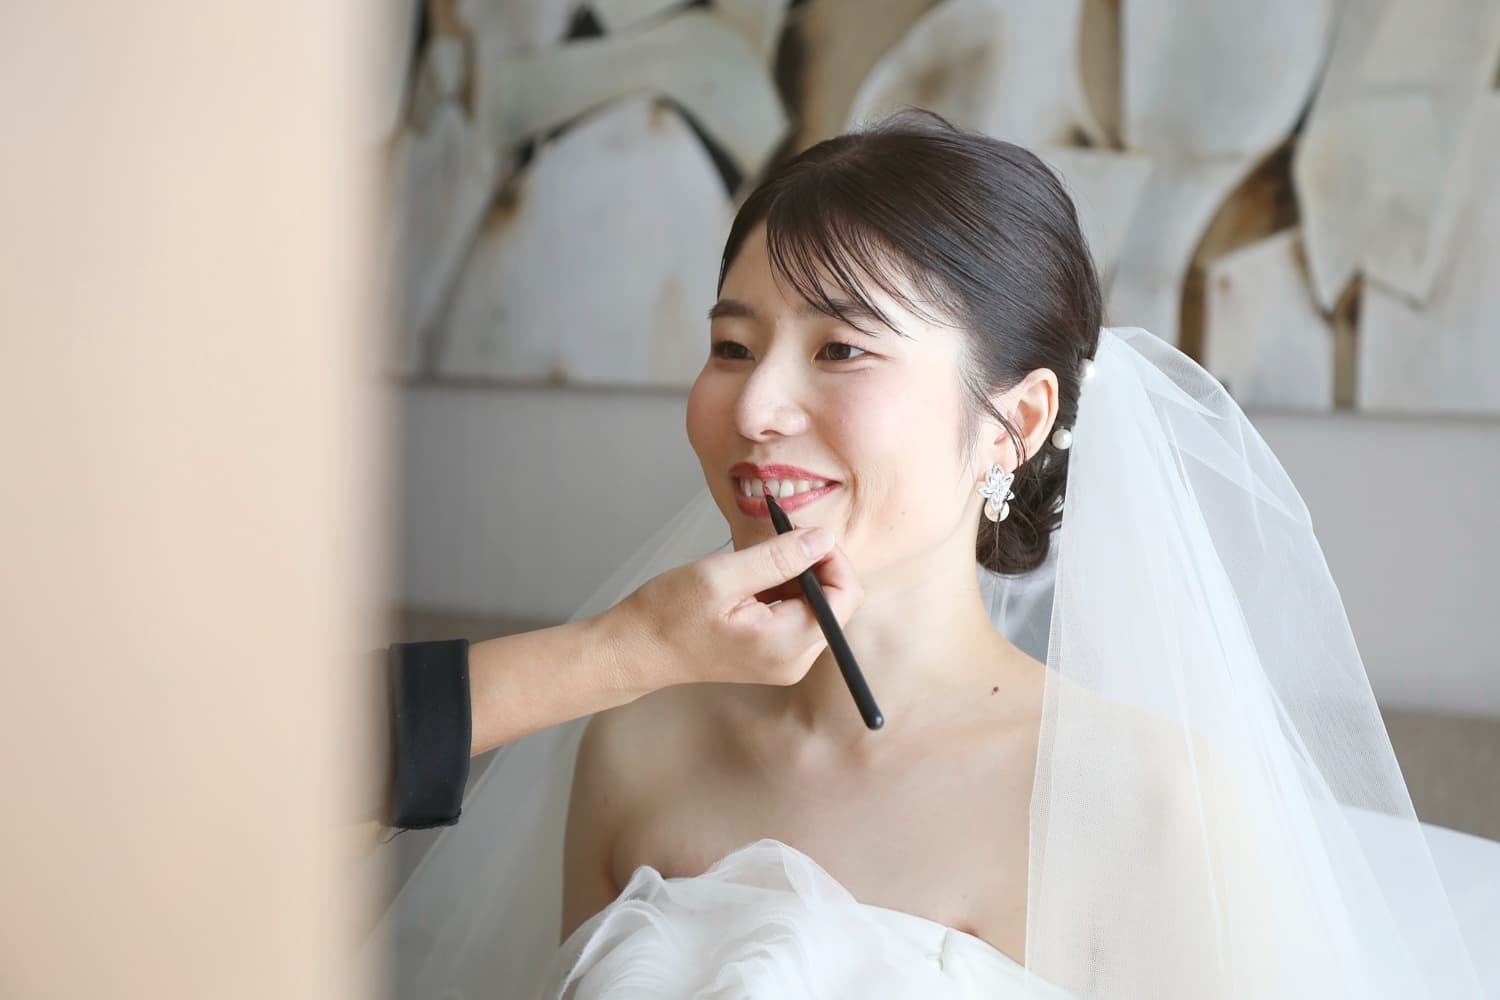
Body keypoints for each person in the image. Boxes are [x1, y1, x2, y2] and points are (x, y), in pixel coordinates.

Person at [375, 110, 1491, 998]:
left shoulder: (1149, 801)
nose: (754, 408)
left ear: (1014, 421)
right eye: (731, 345)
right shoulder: (636, 740)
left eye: (841, 348)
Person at [375, 525, 862, 829]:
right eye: (730, 355)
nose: (751, 414)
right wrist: (644, 642)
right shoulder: (631, 750)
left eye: (841, 353)